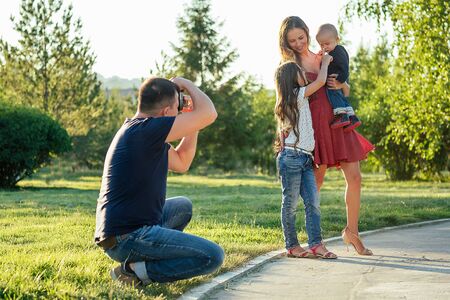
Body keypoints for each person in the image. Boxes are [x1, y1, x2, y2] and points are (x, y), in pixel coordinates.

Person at [94, 77, 224, 286]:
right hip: (127, 237)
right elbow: (210, 113)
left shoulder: (141, 132)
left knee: (182, 206)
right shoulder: (145, 131)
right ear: (165, 112)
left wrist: (193, 121)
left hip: (128, 230)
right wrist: (186, 84)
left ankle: (144, 260)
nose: (178, 114)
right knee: (212, 256)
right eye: (176, 109)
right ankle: (135, 271)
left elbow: (182, 162)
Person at [278, 16, 375, 255]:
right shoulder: (290, 66)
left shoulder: (325, 55)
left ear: (307, 33)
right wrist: (282, 135)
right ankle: (309, 238)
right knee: (315, 183)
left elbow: (347, 87)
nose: (299, 43)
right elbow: (283, 103)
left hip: (337, 120)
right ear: (286, 44)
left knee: (355, 177)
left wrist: (340, 85)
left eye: (301, 37)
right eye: (293, 41)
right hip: (313, 128)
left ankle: (352, 232)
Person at [275, 59, 337, 259]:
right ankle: (292, 245)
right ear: (292, 78)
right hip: (292, 157)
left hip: (305, 158)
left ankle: (316, 244)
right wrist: (325, 63)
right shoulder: (296, 95)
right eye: (301, 72)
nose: (305, 74)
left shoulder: (298, 97)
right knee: (290, 204)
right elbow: (319, 82)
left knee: (313, 202)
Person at [316, 23, 361, 131]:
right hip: (338, 81)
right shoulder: (332, 52)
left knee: (334, 95)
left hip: (337, 80)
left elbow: (345, 67)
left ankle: (341, 115)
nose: (324, 47)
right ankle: (352, 117)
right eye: (321, 45)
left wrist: (340, 81)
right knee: (342, 99)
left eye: (327, 43)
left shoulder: (339, 51)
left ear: (337, 39)